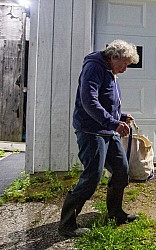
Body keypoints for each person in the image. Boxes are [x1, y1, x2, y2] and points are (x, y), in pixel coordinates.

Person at [58, 40, 140, 237]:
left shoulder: (108, 71)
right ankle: (67, 224)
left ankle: (115, 213)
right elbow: (89, 101)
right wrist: (113, 123)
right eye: (125, 64)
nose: (125, 69)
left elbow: (107, 101)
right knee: (92, 177)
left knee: (121, 171)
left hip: (107, 130)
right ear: (114, 57)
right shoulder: (94, 67)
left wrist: (119, 117)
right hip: (91, 131)